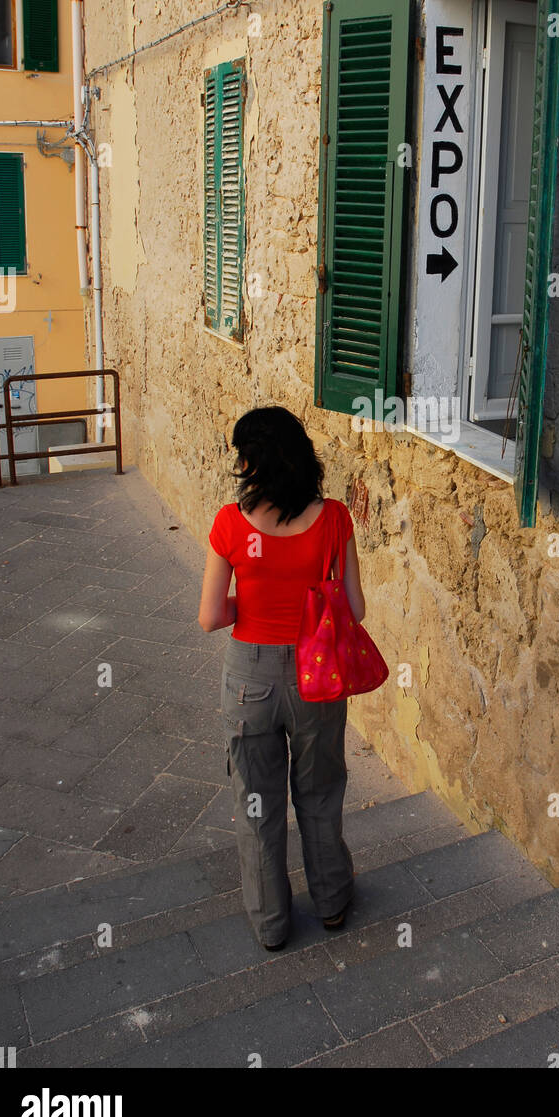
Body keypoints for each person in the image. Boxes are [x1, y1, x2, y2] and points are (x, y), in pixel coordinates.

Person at [198, 406, 365, 951]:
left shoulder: (229, 524)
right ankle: (333, 903)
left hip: (249, 677)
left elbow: (210, 618)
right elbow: (355, 610)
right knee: (319, 793)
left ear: (252, 463)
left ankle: (271, 923)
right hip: (315, 677)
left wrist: (249, 597)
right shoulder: (336, 519)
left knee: (256, 802)